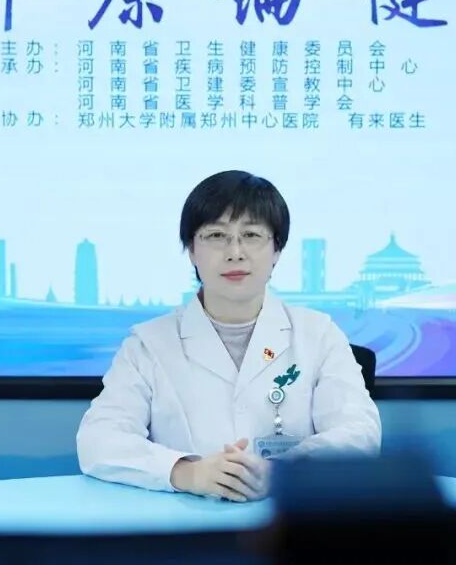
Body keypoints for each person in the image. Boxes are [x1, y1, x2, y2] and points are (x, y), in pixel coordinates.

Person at [77, 170, 381, 501]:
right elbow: (98, 439)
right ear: (192, 250)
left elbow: (359, 433)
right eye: (216, 235)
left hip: (290, 519)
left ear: (277, 249)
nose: (235, 252)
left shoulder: (319, 335)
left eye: (251, 235)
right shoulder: (148, 345)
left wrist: (281, 472)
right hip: (185, 521)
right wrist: (187, 472)